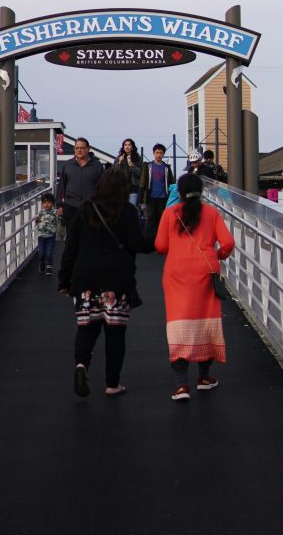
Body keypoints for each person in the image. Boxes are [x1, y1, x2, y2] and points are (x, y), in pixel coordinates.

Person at [58, 167, 154, 397]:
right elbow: (137, 243)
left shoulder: (85, 210)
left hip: (86, 278)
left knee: (86, 328)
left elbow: (71, 247)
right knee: (115, 333)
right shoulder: (127, 211)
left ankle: (81, 365)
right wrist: (158, 239)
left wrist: (64, 279)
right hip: (117, 280)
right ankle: (112, 384)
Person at [154, 171, 235, 402]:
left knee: (178, 323)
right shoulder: (211, 213)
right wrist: (217, 255)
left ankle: (181, 385)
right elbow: (228, 242)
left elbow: (160, 246)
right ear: (202, 191)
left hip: (176, 275)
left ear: (178, 192)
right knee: (206, 322)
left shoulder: (170, 214)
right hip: (206, 272)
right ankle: (204, 378)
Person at [57, 137, 105, 227]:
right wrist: (59, 205)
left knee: (90, 237)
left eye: (82, 148)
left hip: (91, 207)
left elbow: (103, 188)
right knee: (71, 237)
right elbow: (61, 186)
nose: (79, 150)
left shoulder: (97, 165)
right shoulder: (67, 165)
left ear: (88, 149)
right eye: (77, 148)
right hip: (70, 206)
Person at [139, 143, 175, 230]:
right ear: (153, 153)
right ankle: (149, 239)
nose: (159, 155)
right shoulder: (148, 166)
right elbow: (142, 182)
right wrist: (140, 200)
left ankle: (159, 239)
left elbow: (172, 183)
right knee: (150, 219)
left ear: (163, 154)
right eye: (157, 153)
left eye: (161, 153)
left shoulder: (167, 168)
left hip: (163, 198)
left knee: (161, 219)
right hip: (150, 197)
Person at [35, 192, 58, 275]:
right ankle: (42, 262)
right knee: (41, 253)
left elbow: (59, 218)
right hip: (41, 235)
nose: (46, 205)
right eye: (44, 203)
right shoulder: (41, 212)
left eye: (48, 202)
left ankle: (49, 267)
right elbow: (37, 220)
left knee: (49, 252)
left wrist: (60, 214)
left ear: (52, 203)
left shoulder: (55, 212)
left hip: (51, 235)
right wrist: (36, 220)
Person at [114, 138, 143, 207]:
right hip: (121, 188)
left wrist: (132, 166)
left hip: (133, 188)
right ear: (123, 147)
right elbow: (114, 172)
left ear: (132, 147)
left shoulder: (138, 158)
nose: (127, 146)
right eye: (125, 145)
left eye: (129, 145)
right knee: (121, 209)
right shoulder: (119, 158)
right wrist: (119, 162)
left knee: (132, 208)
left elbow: (141, 174)